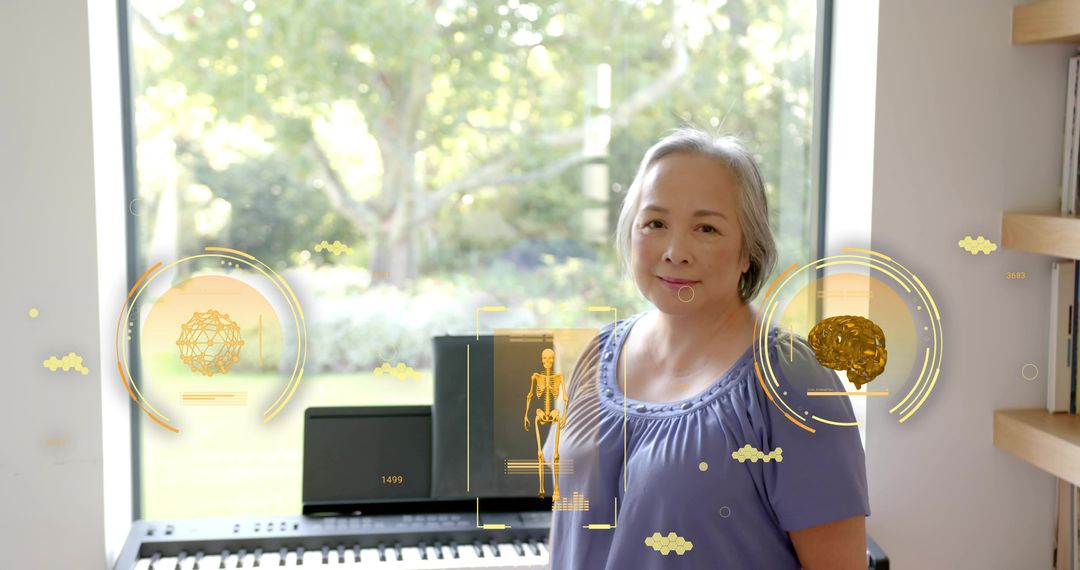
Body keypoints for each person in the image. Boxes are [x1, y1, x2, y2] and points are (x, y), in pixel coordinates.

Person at [543, 127, 870, 569]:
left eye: (706, 228)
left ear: (748, 251)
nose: (675, 251)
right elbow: (567, 532)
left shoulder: (793, 380)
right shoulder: (596, 354)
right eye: (655, 223)